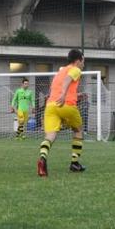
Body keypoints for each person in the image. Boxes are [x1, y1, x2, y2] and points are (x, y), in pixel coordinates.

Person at [37, 49, 86, 177]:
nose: (83, 64)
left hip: (51, 106)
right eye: (83, 61)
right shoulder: (75, 69)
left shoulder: (60, 72)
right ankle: (75, 163)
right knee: (78, 130)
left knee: (50, 136)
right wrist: (64, 95)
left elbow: (57, 88)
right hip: (66, 105)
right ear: (78, 61)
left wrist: (75, 95)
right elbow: (67, 80)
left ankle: (42, 158)